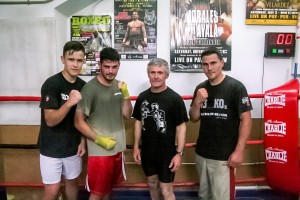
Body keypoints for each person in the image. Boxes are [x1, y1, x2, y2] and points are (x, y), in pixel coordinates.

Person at [189, 47, 253, 200]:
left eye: (213, 63)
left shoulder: (235, 87)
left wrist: (239, 151)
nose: (209, 68)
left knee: (221, 197)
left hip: (224, 155)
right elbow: (193, 118)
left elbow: (246, 119)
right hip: (202, 153)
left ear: (222, 63)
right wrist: (197, 102)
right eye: (205, 64)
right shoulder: (200, 88)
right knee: (204, 195)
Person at [74, 47, 132, 200]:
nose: (110, 71)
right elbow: (79, 122)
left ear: (119, 65)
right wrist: (99, 139)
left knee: (107, 190)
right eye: (106, 67)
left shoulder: (120, 86)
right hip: (100, 152)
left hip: (117, 148)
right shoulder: (89, 89)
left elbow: (127, 115)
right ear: (100, 65)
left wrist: (126, 96)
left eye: (114, 67)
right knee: (97, 193)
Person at [132, 58, 189, 200]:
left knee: (166, 189)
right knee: (152, 184)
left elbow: (181, 127)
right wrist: (136, 147)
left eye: (160, 73)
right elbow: (138, 122)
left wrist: (179, 153)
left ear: (166, 75)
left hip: (167, 153)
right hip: (147, 151)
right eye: (152, 72)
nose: (156, 76)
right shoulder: (142, 97)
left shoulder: (175, 99)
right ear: (148, 74)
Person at [38, 41, 86, 200]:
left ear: (83, 61)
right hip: (51, 148)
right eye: (71, 59)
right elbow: (50, 120)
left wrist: (83, 141)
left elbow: (84, 118)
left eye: (79, 60)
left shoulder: (83, 86)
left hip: (73, 147)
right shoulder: (52, 84)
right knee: (52, 190)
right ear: (62, 59)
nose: (75, 64)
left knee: (73, 184)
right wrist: (69, 103)